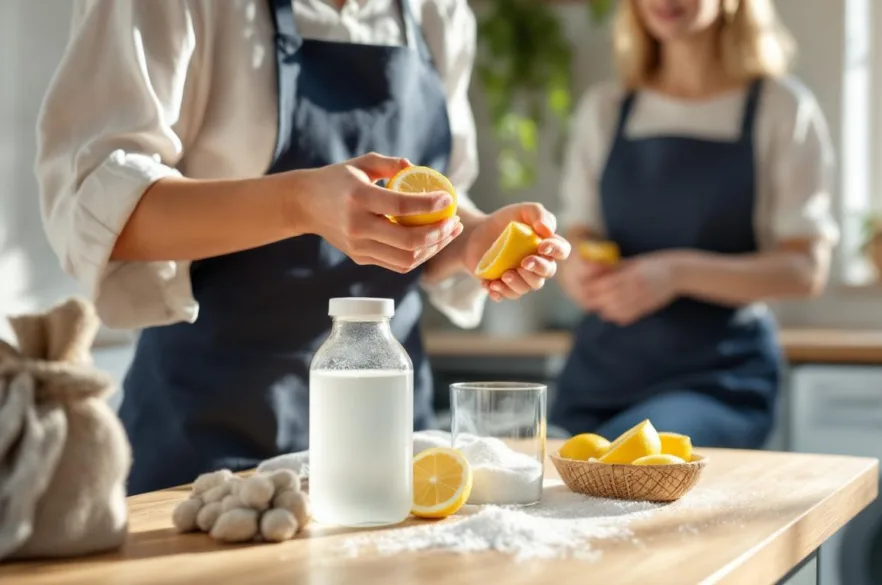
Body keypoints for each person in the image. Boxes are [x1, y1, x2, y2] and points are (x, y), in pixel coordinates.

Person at [36, 0, 569, 495]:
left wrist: (471, 239)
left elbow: (438, 200)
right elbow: (96, 203)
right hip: (208, 445)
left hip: (388, 445)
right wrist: (299, 203)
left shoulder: (437, 12)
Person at [551, 0, 837, 448]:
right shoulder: (606, 109)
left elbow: (806, 269)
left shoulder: (780, 107)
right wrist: (578, 273)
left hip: (717, 381)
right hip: (600, 376)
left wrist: (676, 273)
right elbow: (578, 236)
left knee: (626, 467)